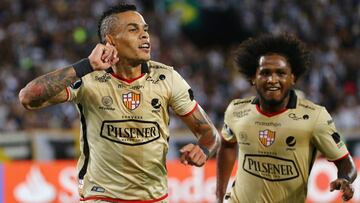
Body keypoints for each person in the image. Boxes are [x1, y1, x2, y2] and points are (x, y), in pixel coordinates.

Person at [19, 3, 219, 203]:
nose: (144, 36)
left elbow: (210, 134)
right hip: (101, 197)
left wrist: (203, 149)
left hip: (156, 199)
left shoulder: (167, 77)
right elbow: (29, 97)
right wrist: (86, 65)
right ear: (111, 40)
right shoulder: (89, 78)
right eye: (133, 29)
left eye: (145, 30)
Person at [216, 33, 357, 203]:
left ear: (293, 78)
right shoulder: (236, 110)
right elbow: (227, 146)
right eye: (265, 73)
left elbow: (345, 162)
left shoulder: (314, 116)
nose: (272, 80)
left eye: (281, 73)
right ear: (253, 78)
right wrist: (219, 194)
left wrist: (345, 179)